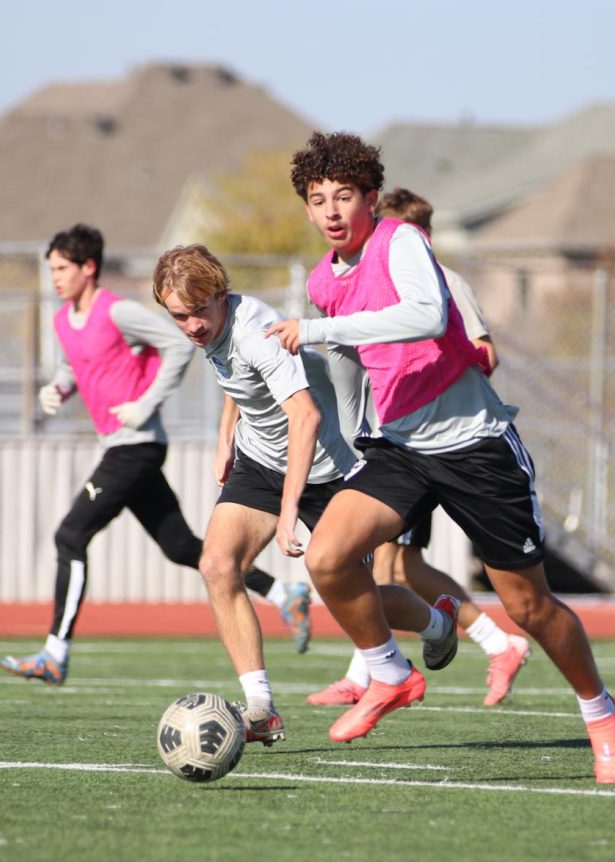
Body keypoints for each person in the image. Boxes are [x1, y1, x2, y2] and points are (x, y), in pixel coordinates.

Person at [267, 131, 615, 783]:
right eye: (317, 199)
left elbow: (428, 315)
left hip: (475, 444)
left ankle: (602, 711)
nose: (330, 211)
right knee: (326, 556)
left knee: (530, 608)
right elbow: (351, 366)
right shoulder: (325, 281)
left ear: (370, 199)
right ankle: (389, 674)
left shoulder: (401, 242)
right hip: (400, 448)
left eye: (343, 196)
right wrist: (355, 444)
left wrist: (319, 330)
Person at [151, 243, 459, 744]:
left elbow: (306, 416)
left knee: (353, 599)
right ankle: (261, 708)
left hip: (328, 468)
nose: (191, 327)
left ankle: (435, 622)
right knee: (217, 565)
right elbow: (237, 379)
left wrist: (289, 508)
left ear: (222, 295)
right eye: (179, 316)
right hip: (260, 462)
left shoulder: (258, 335)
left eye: (198, 313)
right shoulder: (213, 325)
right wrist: (225, 437)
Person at [0, 224, 311, 687]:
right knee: (182, 546)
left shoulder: (119, 311)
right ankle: (285, 591)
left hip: (137, 446)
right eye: (51, 270)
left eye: (62, 268)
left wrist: (146, 404)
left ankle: (54, 651)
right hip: (116, 444)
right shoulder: (63, 320)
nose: (56, 279)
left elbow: (173, 347)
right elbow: (74, 363)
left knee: (70, 535)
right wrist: (59, 388)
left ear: (89, 267)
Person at [306, 187, 530, 709]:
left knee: (390, 567)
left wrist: (435, 363)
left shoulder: (444, 280)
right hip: (399, 442)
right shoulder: (361, 273)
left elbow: (484, 353)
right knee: (392, 565)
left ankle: (382, 673)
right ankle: (484, 646)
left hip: (451, 437)